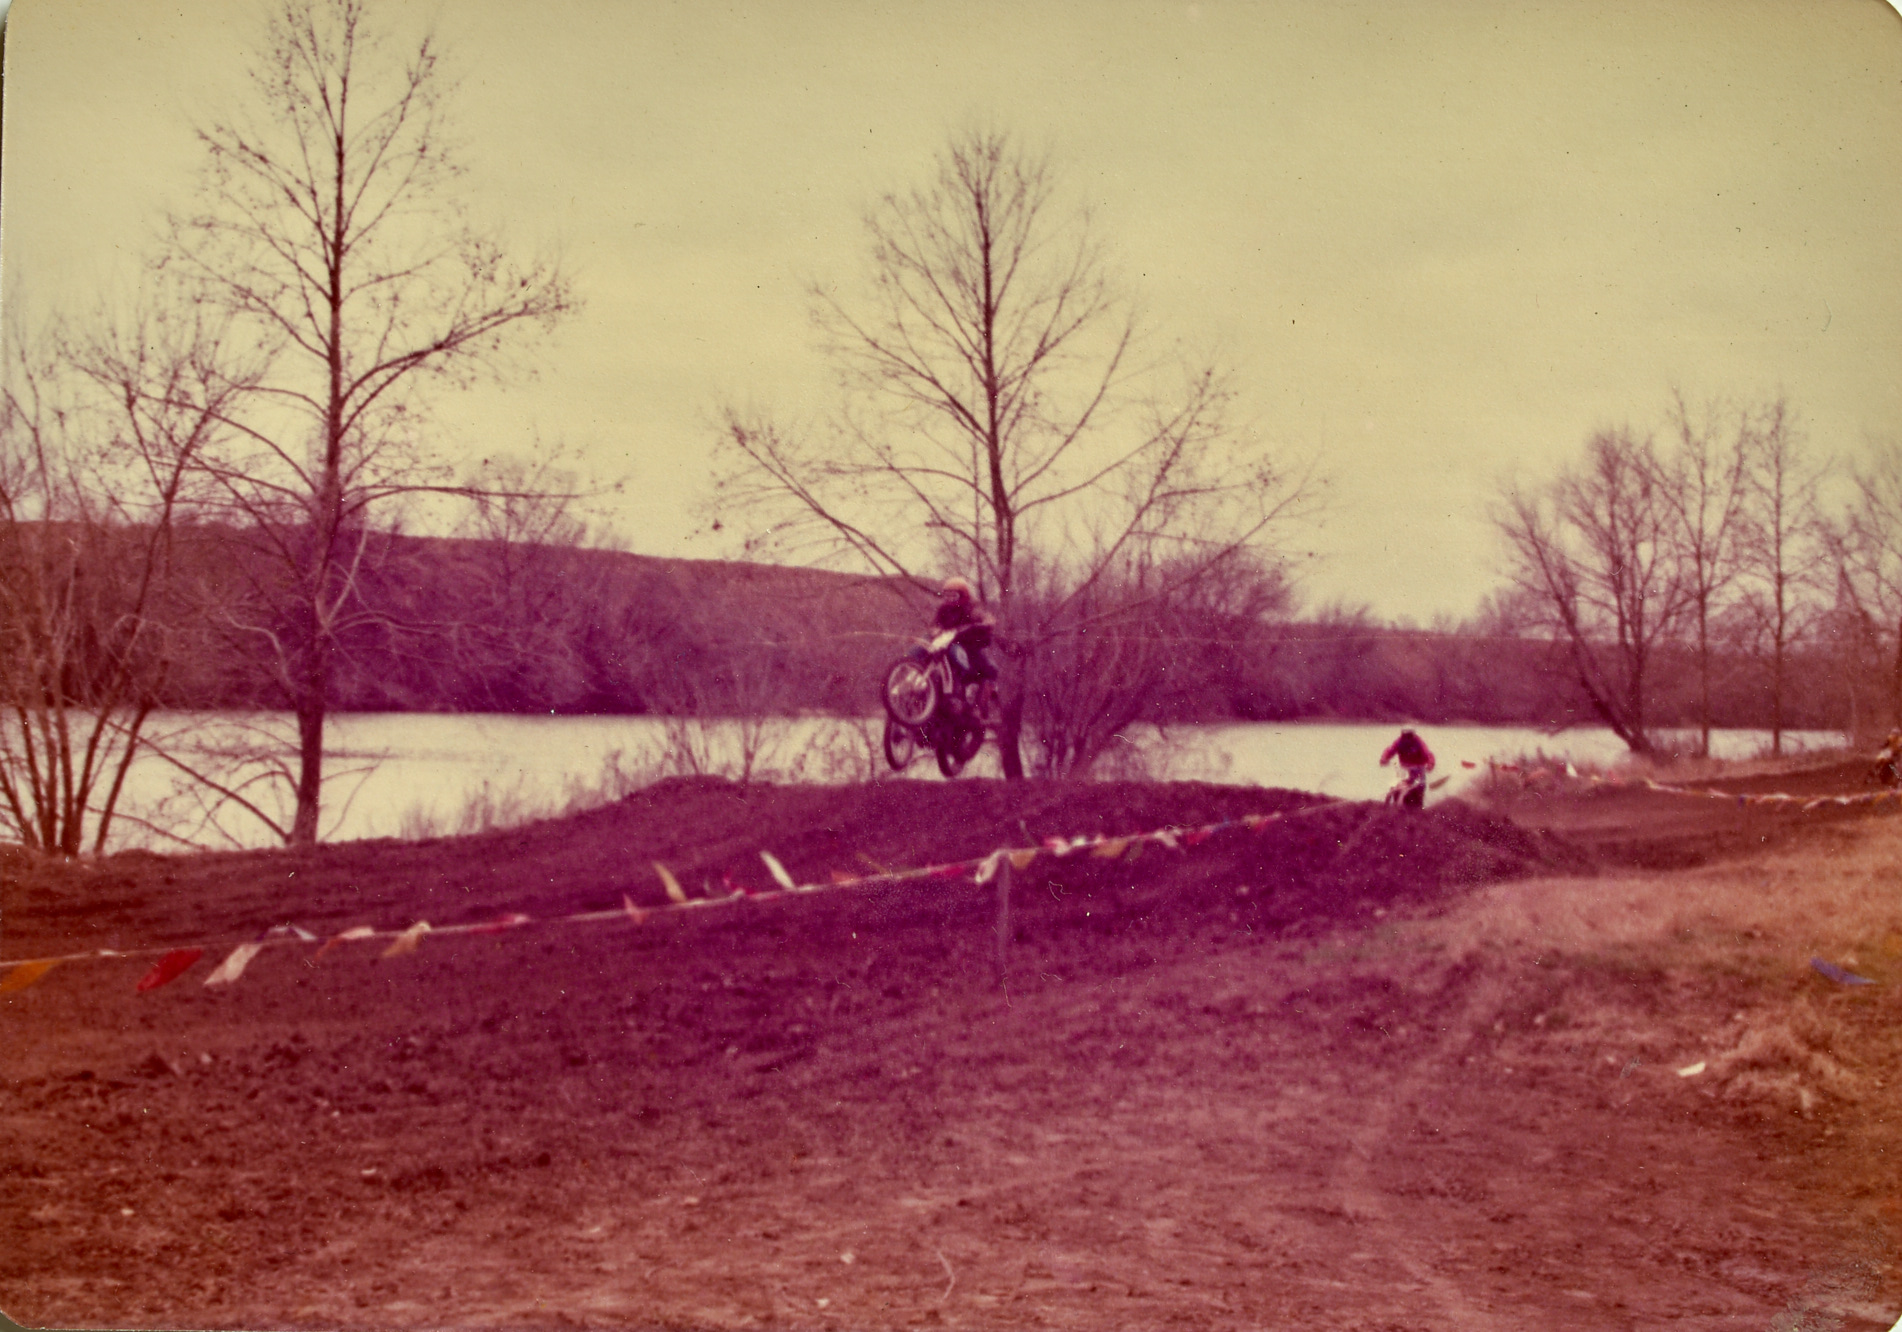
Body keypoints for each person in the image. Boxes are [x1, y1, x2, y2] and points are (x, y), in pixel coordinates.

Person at [932, 577, 997, 716]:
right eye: (947, 595)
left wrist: (985, 622)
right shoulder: (943, 609)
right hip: (948, 644)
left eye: (953, 595)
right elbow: (935, 624)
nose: (950, 599)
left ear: (963, 596)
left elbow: (986, 617)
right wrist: (936, 630)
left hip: (970, 646)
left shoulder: (971, 607)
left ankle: (978, 707)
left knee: (991, 670)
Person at [1380, 728, 1435, 808]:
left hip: (1418, 769)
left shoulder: (1418, 742)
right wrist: (1384, 758)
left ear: (1413, 735)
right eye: (1405, 735)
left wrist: (1430, 764)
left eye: (1408, 736)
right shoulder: (1399, 741)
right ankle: (1392, 807)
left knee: (1419, 788)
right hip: (1405, 769)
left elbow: (1428, 754)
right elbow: (1390, 750)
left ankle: (1418, 807)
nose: (1407, 738)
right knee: (1396, 787)